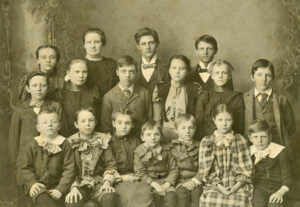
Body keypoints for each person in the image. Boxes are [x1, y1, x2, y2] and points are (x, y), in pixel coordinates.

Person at [9, 71, 66, 184]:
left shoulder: (55, 106)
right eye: (34, 85)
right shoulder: (20, 109)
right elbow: (14, 139)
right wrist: (16, 164)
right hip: (26, 161)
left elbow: (64, 133)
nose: (39, 89)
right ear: (27, 88)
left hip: (51, 160)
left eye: (43, 85)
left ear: (48, 88)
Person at [198, 104, 253, 207]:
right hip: (216, 184)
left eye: (228, 120)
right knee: (211, 200)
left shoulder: (240, 140)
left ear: (233, 121)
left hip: (237, 183)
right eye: (220, 120)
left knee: (240, 201)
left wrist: (235, 187)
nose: (224, 124)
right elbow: (206, 170)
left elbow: (246, 168)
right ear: (214, 120)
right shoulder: (207, 141)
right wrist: (221, 188)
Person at [20, 109, 75, 207]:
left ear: (59, 126)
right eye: (45, 122)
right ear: (38, 128)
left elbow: (69, 169)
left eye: (53, 122)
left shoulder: (65, 144)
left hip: (59, 187)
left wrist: (60, 189)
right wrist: (32, 183)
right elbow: (24, 168)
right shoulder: (32, 145)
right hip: (39, 187)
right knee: (43, 199)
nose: (49, 125)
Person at [65, 107, 118, 207]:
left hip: (99, 182)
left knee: (109, 196)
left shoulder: (102, 139)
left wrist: (107, 183)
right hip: (78, 183)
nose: (87, 124)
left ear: (96, 122)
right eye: (83, 121)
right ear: (76, 124)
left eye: (91, 120)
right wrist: (73, 188)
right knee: (72, 200)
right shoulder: (70, 142)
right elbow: (68, 169)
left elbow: (111, 164)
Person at [244, 59, 295, 148]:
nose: (263, 79)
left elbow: (290, 126)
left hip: (277, 145)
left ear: (273, 77)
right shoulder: (244, 98)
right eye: (259, 75)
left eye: (268, 75)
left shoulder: (281, 99)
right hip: (253, 146)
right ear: (252, 77)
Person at [110, 108, 153, 207]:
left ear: (132, 125)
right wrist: (121, 177)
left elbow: (143, 163)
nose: (124, 127)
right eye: (120, 123)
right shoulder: (108, 143)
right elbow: (106, 167)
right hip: (119, 179)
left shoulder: (137, 142)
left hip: (137, 176)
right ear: (113, 123)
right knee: (130, 196)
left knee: (146, 192)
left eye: (127, 123)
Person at [153, 55, 200, 142]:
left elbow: (197, 116)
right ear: (169, 70)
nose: (177, 72)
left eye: (182, 69)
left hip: (186, 133)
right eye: (174, 68)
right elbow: (157, 118)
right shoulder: (160, 88)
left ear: (187, 71)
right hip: (165, 133)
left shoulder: (194, 89)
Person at [101, 55, 152, 135]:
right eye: (123, 71)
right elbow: (105, 128)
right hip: (118, 143)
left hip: (141, 140)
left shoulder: (144, 93)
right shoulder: (108, 97)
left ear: (136, 73)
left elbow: (150, 121)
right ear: (117, 72)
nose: (127, 75)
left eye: (131, 71)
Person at [196, 60, 244, 139]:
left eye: (224, 73)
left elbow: (240, 126)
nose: (220, 76)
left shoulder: (236, 97)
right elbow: (199, 123)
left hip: (231, 140)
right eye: (217, 73)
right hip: (207, 140)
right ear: (212, 75)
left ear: (229, 76)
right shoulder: (205, 95)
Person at [249, 120, 292, 207]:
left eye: (263, 137)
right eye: (255, 137)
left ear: (270, 137)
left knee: (275, 204)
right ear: (250, 138)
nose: (259, 141)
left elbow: (288, 177)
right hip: (258, 189)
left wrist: (280, 192)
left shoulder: (280, 151)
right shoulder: (250, 151)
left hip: (278, 188)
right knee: (257, 204)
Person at [134, 121, 179, 207]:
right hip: (149, 183)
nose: (153, 138)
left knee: (171, 198)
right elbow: (140, 172)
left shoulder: (167, 150)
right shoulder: (138, 151)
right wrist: (155, 185)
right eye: (148, 135)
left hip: (165, 181)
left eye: (156, 134)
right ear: (142, 137)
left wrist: (166, 184)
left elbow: (174, 169)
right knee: (149, 199)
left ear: (161, 137)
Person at [60, 58, 101, 135]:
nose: (81, 75)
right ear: (68, 73)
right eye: (77, 72)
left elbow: (99, 120)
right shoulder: (61, 94)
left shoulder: (94, 93)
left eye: (84, 72)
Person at [170, 114, 203, 207]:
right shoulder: (172, 147)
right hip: (180, 181)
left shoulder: (201, 145)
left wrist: (195, 180)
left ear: (195, 129)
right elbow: (172, 167)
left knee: (197, 197)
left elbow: (204, 166)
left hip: (197, 180)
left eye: (190, 128)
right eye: (183, 128)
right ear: (176, 130)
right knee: (182, 197)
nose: (187, 131)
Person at [82, 28, 119, 97]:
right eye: (89, 42)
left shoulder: (111, 64)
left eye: (97, 42)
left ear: (103, 44)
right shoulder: (78, 65)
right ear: (84, 45)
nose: (93, 46)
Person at [134, 27, 170, 94]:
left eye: (151, 43)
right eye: (143, 44)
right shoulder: (133, 68)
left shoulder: (168, 68)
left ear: (157, 44)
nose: (148, 47)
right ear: (138, 46)